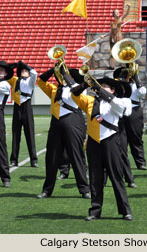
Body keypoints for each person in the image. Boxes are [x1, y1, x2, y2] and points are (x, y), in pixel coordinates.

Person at [70, 73, 133, 221]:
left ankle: (125, 211)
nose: (101, 88)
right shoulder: (91, 101)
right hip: (93, 142)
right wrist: (86, 84)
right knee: (95, 178)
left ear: (112, 90)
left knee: (116, 176)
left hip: (111, 141)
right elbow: (74, 95)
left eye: (105, 87)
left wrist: (102, 92)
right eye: (101, 86)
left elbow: (122, 111)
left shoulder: (121, 101)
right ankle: (95, 211)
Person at [36, 65, 90, 199]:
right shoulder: (55, 89)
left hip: (73, 121)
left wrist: (66, 75)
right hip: (56, 123)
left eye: (69, 75)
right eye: (64, 75)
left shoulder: (79, 87)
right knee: (52, 157)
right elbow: (41, 81)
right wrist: (53, 70)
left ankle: (84, 189)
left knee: (76, 155)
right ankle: (47, 190)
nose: (66, 77)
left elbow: (75, 91)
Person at [114, 66, 147, 170]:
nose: (126, 77)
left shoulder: (135, 85)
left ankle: (140, 162)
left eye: (128, 75)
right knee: (120, 139)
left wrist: (137, 78)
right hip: (120, 112)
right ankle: (121, 161)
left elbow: (142, 93)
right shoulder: (117, 86)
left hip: (134, 112)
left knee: (136, 138)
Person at [7, 61, 38, 168]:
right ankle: (14, 160)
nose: (24, 72)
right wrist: (13, 66)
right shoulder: (15, 80)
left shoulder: (30, 80)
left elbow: (34, 73)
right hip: (17, 107)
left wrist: (25, 65)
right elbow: (7, 75)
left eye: (26, 71)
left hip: (27, 107)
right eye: (22, 71)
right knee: (16, 135)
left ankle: (33, 160)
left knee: (30, 135)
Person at [109, 4, 131, 70]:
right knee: (113, 53)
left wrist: (129, 7)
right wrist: (104, 36)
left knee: (122, 51)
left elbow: (127, 14)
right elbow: (111, 31)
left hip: (119, 37)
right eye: (116, 12)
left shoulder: (120, 18)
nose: (117, 13)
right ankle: (111, 67)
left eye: (118, 12)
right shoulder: (111, 23)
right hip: (113, 38)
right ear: (113, 14)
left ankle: (127, 65)